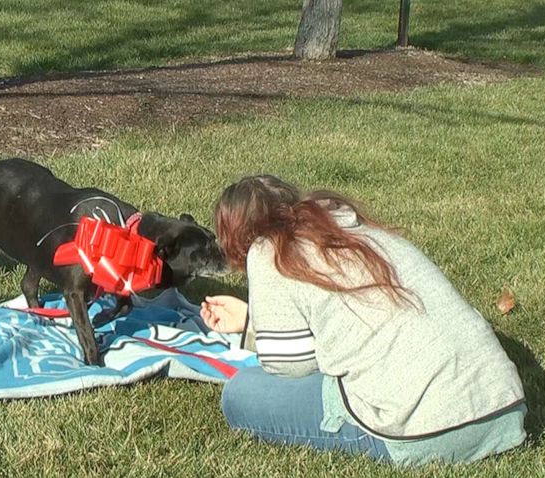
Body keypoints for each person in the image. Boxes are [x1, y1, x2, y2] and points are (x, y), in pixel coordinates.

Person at [201, 175, 526, 466]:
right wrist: (250, 321)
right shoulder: (351, 229)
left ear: (238, 237)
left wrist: (256, 333)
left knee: (240, 392)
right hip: (503, 404)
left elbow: (291, 366)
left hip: (430, 429)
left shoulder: (268, 249)